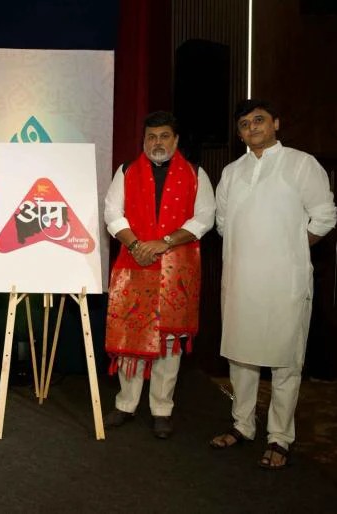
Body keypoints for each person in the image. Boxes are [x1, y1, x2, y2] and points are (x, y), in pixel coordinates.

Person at [210, 99, 337, 469]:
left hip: (285, 281)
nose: (252, 128)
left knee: (286, 361)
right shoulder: (232, 172)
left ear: (276, 124)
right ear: (239, 134)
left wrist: (290, 248)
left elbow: (325, 217)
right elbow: (223, 224)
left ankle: (280, 437)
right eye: (245, 124)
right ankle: (242, 425)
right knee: (240, 357)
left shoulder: (301, 164)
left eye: (259, 120)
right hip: (240, 281)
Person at [103, 111, 215, 439]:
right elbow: (112, 213)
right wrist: (136, 244)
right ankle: (125, 404)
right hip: (133, 262)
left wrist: (163, 243)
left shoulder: (196, 173)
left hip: (176, 268)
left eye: (164, 136)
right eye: (151, 136)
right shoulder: (126, 170)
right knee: (130, 336)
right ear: (143, 140)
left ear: (176, 140)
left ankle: (162, 409)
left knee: (169, 342)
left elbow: (204, 218)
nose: (157, 142)